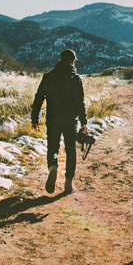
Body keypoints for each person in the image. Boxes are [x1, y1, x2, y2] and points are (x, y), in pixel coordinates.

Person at [31, 49, 89, 195]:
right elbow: (80, 103)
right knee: (70, 150)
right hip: (70, 121)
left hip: (53, 119)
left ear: (59, 60)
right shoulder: (75, 79)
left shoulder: (48, 77)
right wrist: (83, 122)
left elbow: (39, 98)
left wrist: (34, 118)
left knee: (53, 147)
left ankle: (53, 167)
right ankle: (68, 182)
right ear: (72, 62)